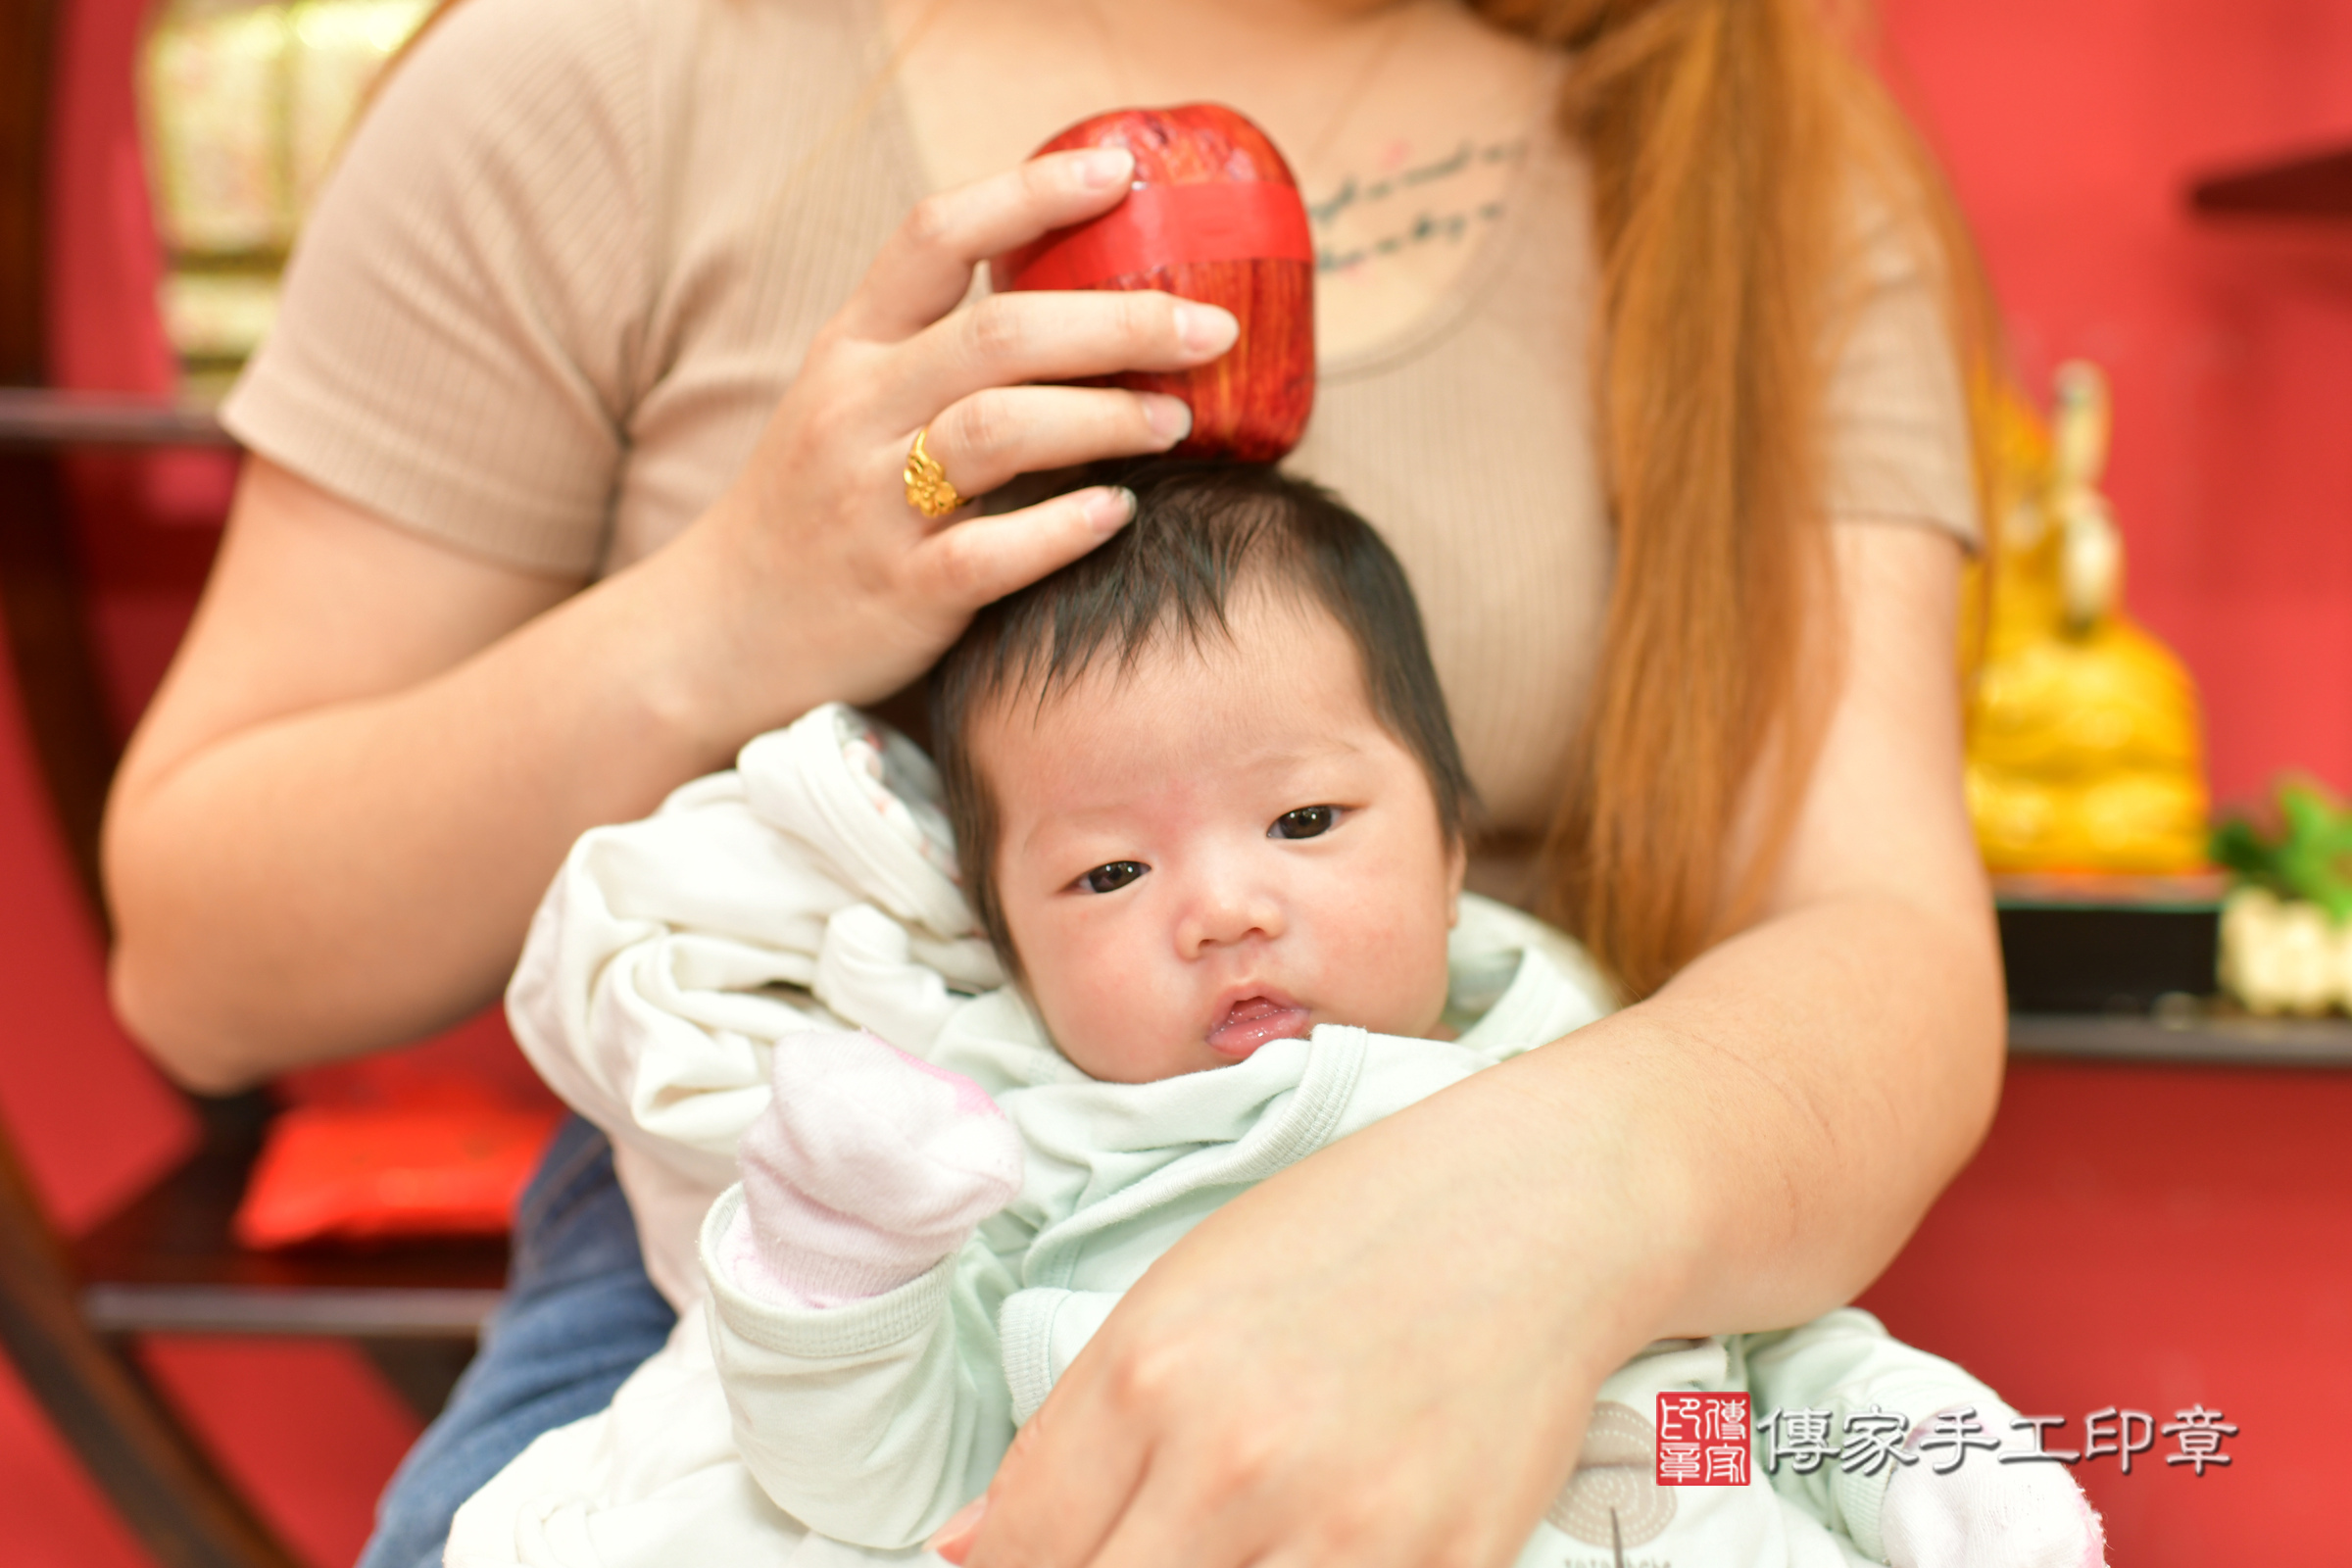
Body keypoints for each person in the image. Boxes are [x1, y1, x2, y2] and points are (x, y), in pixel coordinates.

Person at [98, 1, 2006, 1565]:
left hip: (1574, 1202)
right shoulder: (595, 70)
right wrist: (726, 613)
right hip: (778, 1288)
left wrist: (1521, 1212)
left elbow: (1883, 931)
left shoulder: (1751, 153)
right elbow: (204, 957)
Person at [452, 462, 2093, 1568]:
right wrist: (837, 1274)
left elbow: (1745, 1373)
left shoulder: (1586, 1073)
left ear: (1454, 855)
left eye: (1306, 826)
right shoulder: (1030, 1159)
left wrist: (1911, 1451)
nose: (1222, 907)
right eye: (1105, 876)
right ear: (1007, 941)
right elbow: (892, 1482)